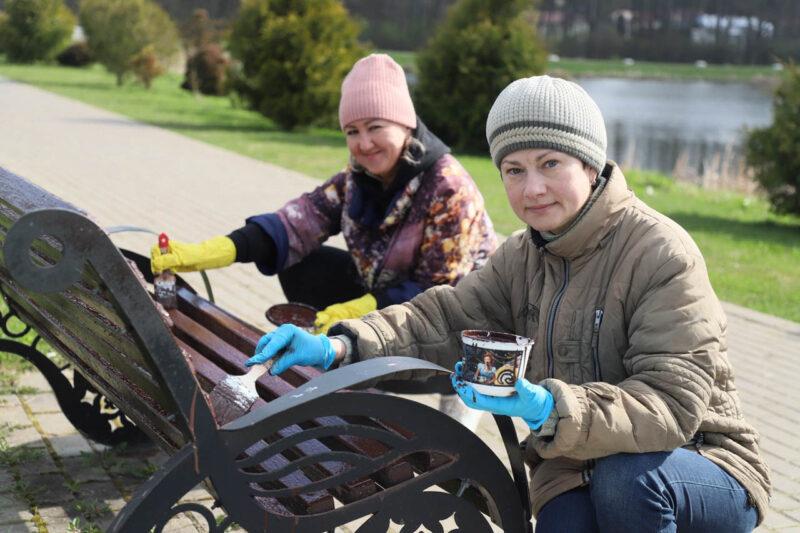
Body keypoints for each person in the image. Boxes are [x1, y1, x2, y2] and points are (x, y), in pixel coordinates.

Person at [244, 75, 771, 532]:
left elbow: (672, 405)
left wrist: (549, 407)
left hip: (700, 459)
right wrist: (339, 345)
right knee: (566, 517)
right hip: (572, 464)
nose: (533, 188)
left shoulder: (661, 252)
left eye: (550, 163)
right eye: (514, 170)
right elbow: (443, 317)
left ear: (590, 165)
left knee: (625, 483)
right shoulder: (520, 256)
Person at [151, 54, 497, 430]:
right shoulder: (356, 178)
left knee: (456, 384)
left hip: (457, 331)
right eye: (352, 131)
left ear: (406, 124)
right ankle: (351, 371)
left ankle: (451, 396)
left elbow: (438, 291)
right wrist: (210, 252)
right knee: (302, 262)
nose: (363, 143)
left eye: (375, 127)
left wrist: (356, 311)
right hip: (390, 305)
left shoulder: (448, 187)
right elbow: (296, 222)